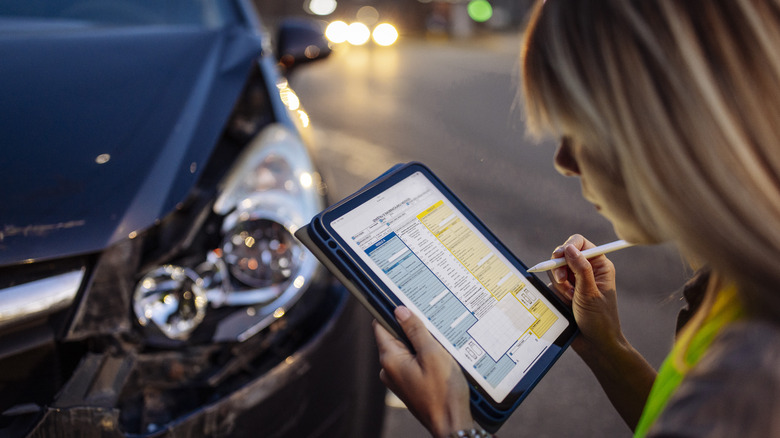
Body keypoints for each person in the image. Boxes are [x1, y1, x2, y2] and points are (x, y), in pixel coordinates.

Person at [372, 0, 780, 436]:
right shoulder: (739, 285)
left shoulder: (752, 371)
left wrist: (454, 424)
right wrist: (607, 347)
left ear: (666, 128)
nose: (563, 163)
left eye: (579, 130)